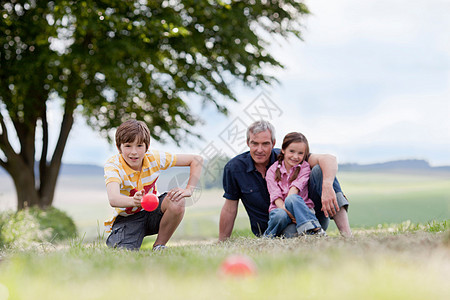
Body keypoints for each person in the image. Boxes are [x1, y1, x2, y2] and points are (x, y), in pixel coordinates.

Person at [219, 120, 351, 241]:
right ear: (248, 143)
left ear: (273, 143)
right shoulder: (234, 168)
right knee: (289, 229)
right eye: (254, 143)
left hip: (309, 215)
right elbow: (230, 208)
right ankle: (306, 235)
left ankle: (346, 236)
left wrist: (327, 186)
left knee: (321, 169)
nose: (260, 150)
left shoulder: (289, 156)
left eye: (265, 144)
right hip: (277, 225)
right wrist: (222, 241)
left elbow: (329, 159)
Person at [104, 119, 203, 250]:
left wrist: (189, 189)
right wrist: (134, 201)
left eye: (139, 146)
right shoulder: (113, 165)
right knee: (122, 252)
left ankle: (159, 246)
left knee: (177, 200)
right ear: (119, 147)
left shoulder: (155, 158)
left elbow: (196, 160)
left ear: (147, 147)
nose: (134, 152)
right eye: (128, 146)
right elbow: (113, 199)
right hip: (127, 219)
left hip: (152, 212)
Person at [264, 132, 326, 237]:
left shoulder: (305, 167)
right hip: (282, 211)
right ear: (283, 150)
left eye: (300, 153)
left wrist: (293, 212)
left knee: (292, 199)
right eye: (291, 151)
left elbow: (294, 190)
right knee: (279, 215)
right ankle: (267, 237)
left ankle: (315, 230)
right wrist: (287, 212)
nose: (295, 156)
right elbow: (275, 196)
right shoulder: (272, 171)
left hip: (302, 212)